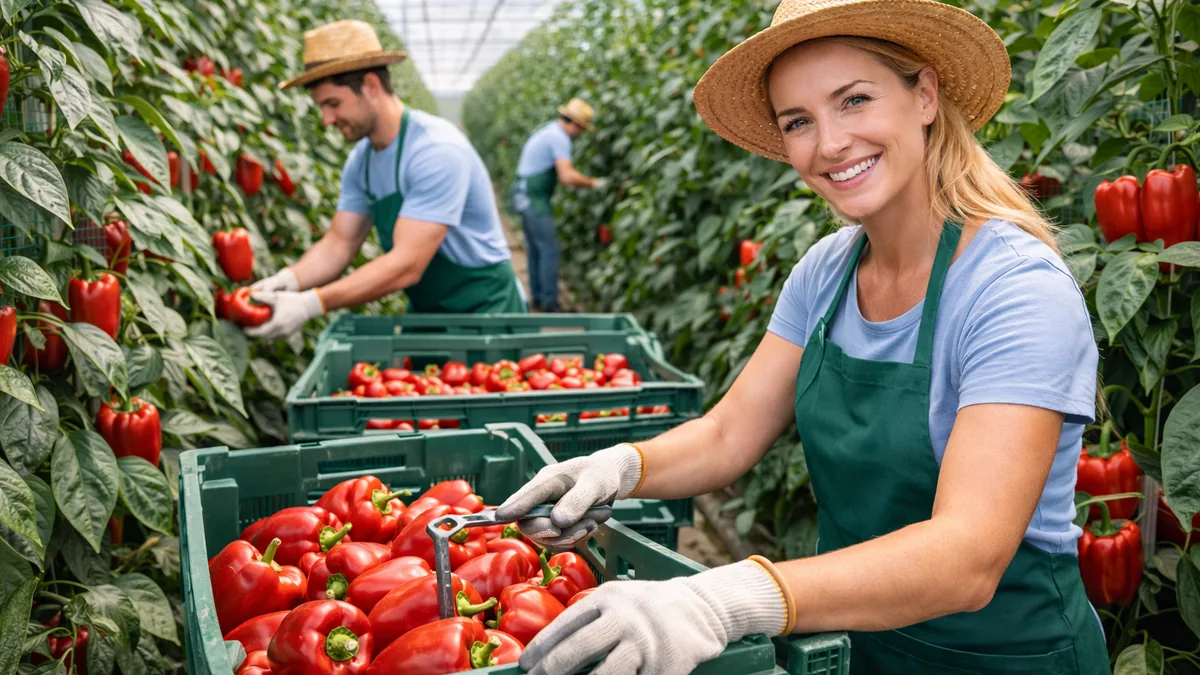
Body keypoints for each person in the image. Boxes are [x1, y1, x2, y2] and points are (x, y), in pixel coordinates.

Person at [494, 0, 1108, 673]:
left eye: (854, 100)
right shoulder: (827, 272)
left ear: (925, 95)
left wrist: (729, 596)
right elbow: (730, 433)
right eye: (799, 122)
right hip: (848, 639)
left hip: (1003, 656)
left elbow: (967, 558)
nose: (831, 143)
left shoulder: (1013, 290)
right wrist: (619, 467)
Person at [246, 20, 525, 339]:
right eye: (321, 107)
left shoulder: (435, 151)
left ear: (371, 86)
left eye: (333, 104)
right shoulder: (362, 161)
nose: (326, 120)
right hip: (428, 316)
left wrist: (312, 303)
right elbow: (341, 241)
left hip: (486, 313)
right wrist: (290, 280)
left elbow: (408, 263)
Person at [511, 98, 606, 312]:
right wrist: (593, 183)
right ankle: (549, 302)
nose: (580, 134)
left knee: (536, 249)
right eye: (581, 130)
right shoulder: (559, 138)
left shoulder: (548, 130)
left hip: (523, 194)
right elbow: (566, 176)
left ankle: (538, 297)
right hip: (533, 198)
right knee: (549, 249)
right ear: (574, 124)